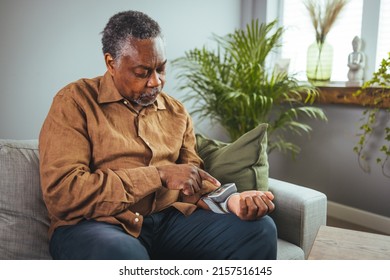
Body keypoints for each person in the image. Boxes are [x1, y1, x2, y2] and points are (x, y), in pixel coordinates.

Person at [39, 10, 277, 260]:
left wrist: (232, 201)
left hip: (168, 222)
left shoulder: (176, 111)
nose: (156, 82)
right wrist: (158, 175)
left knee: (259, 230)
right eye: (142, 73)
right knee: (122, 254)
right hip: (96, 225)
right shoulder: (75, 102)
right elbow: (63, 194)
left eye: (161, 69)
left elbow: (192, 181)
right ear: (111, 63)